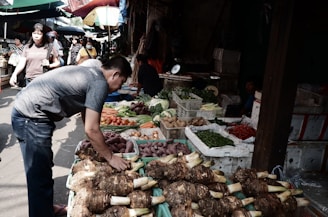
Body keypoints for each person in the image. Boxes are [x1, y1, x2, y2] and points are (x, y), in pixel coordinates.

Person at [11, 55, 132, 217]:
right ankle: (41, 213)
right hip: (30, 116)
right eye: (122, 82)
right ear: (115, 74)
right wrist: (110, 157)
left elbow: (87, 115)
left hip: (27, 110)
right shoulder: (99, 83)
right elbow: (92, 129)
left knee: (42, 171)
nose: (118, 88)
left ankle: (45, 209)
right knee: (39, 176)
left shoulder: (92, 71)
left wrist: (94, 140)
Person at [9, 23, 60, 87]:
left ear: (43, 35)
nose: (36, 36)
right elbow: (21, 63)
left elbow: (57, 63)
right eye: (34, 33)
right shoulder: (27, 47)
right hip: (29, 80)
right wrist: (14, 74)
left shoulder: (49, 47)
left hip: (45, 80)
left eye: (39, 34)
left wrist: (49, 65)